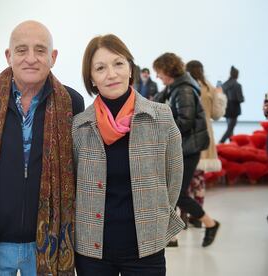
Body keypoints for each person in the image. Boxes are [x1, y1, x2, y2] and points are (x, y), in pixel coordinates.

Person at [0, 20, 84, 275]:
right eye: (21, 50)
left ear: (53, 57)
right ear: (9, 56)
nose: (31, 58)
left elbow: (77, 178)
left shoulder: (72, 103)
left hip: (47, 248)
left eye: (40, 50)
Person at [72, 34, 184, 276]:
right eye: (100, 68)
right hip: (93, 252)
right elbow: (71, 187)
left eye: (118, 64)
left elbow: (173, 178)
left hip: (147, 248)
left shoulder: (160, 117)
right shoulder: (79, 126)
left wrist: (158, 218)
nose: (111, 74)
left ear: (130, 69)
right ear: (91, 78)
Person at [153, 53, 220, 247]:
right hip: (186, 148)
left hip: (188, 149)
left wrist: (163, 127)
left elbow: (185, 121)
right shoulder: (176, 87)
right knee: (172, 191)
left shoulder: (183, 90)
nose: (158, 77)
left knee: (177, 193)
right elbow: (159, 102)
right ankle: (171, 236)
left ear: (167, 70)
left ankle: (210, 223)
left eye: (159, 72)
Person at [185, 60, 227, 226]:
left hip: (188, 136)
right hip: (205, 136)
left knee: (185, 178)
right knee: (199, 177)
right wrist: (221, 96)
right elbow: (217, 114)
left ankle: (185, 215)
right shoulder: (209, 88)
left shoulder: (185, 87)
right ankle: (198, 214)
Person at [219, 66, 244, 143]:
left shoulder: (224, 84)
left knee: (230, 128)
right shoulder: (237, 85)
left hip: (226, 110)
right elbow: (240, 99)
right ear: (236, 75)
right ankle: (220, 143)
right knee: (230, 129)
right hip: (234, 111)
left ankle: (232, 144)